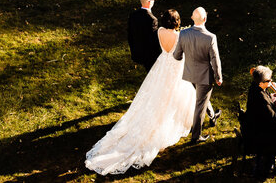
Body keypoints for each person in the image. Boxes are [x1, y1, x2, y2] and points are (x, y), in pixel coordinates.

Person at [87, 9, 215, 175]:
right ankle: (185, 119)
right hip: (176, 69)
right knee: (179, 94)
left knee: (158, 93)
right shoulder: (180, 36)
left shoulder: (160, 31)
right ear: (177, 22)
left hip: (162, 66)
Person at [173, 7, 223, 143]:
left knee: (202, 98)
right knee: (200, 105)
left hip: (190, 74)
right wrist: (218, 77)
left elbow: (176, 56)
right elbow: (215, 59)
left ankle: (213, 115)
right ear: (205, 19)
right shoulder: (210, 37)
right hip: (205, 77)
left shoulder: (183, 34)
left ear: (191, 18)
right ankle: (196, 136)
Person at [127, 0, 160, 72]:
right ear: (150, 2)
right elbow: (154, 41)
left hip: (137, 53)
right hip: (150, 57)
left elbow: (130, 35)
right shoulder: (152, 19)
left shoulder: (133, 15)